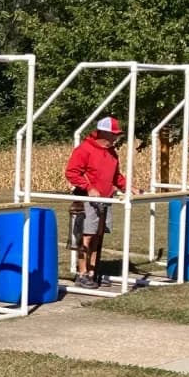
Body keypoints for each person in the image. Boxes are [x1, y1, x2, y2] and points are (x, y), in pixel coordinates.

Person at [64, 115, 130, 290]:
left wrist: (128, 187)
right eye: (113, 134)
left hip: (105, 200)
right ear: (102, 133)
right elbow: (72, 173)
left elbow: (116, 176)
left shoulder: (112, 152)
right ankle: (82, 273)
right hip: (86, 201)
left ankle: (93, 271)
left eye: (117, 135)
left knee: (98, 237)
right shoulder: (84, 150)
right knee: (85, 237)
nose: (115, 138)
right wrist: (88, 187)